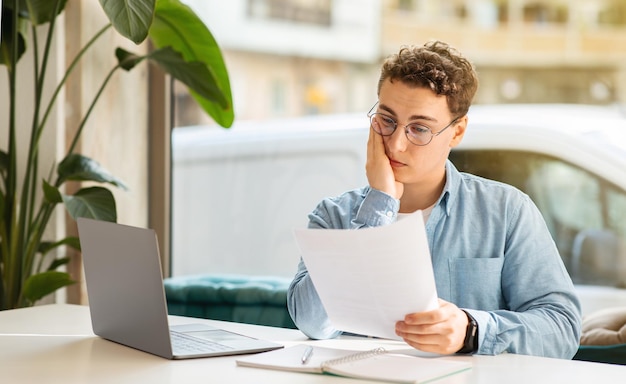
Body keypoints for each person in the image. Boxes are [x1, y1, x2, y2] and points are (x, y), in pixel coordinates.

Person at [286, 40, 581, 359]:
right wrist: (380, 207)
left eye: (419, 129)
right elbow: (312, 322)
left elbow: (562, 329)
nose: (396, 144)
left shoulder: (507, 212)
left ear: (457, 132)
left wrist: (471, 330)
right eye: (386, 121)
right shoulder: (334, 215)